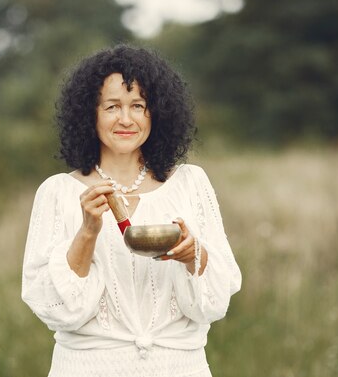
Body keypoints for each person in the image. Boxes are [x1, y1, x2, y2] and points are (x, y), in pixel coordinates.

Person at [21, 45, 241, 377]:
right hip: (88, 368)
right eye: (112, 107)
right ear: (89, 114)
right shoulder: (58, 193)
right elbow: (55, 309)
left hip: (179, 367)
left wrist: (193, 254)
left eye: (138, 105)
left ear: (156, 113)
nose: (126, 119)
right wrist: (88, 232)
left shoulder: (190, 183)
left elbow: (216, 301)